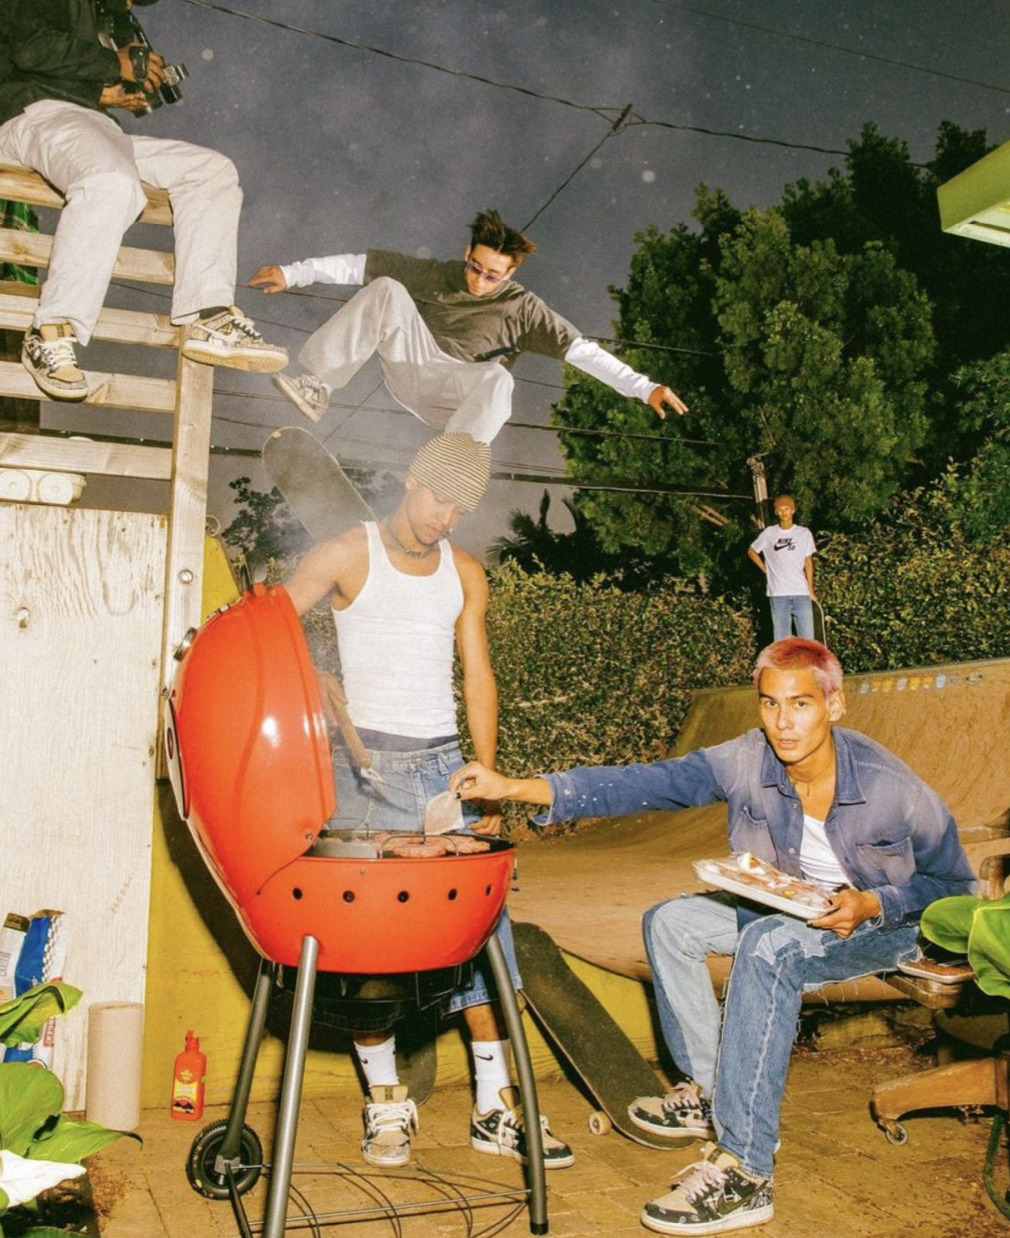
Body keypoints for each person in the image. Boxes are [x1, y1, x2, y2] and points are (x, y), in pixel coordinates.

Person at [448, 637, 975, 1234]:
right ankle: (711, 1091)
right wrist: (515, 787)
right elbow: (649, 781)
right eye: (771, 704)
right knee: (670, 922)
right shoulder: (749, 758)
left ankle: (747, 1169)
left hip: (889, 925)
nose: (784, 723)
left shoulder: (890, 787)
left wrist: (875, 900)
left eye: (801, 704)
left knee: (769, 947)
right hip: (798, 908)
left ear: (834, 705)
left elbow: (954, 888)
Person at [283, 431, 573, 1173]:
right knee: (365, 952)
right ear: (412, 478)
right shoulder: (349, 552)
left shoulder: (465, 571)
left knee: (483, 940)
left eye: (463, 507)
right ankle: (386, 1103)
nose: (447, 516)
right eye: (440, 497)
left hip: (446, 770)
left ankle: (494, 1108)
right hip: (364, 770)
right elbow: (268, 619)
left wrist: (488, 772)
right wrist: (315, 673)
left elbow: (479, 675)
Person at [0, 0, 287, 402]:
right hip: (32, 114)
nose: (131, 4)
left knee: (212, 171)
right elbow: (29, 48)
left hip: (92, 124)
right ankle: (49, 331)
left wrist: (112, 92)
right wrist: (115, 65)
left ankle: (207, 315)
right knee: (111, 183)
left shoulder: (106, 14)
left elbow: (66, 67)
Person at [249, 208, 688, 443]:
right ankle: (318, 385)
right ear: (467, 253)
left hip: (455, 394)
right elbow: (360, 266)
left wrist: (643, 387)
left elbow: (582, 352)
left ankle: (453, 462)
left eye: (491, 275)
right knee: (386, 287)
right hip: (412, 365)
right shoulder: (440, 273)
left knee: (498, 380)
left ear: (511, 273)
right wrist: (294, 272)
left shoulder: (525, 309)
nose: (478, 280)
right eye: (475, 267)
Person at [747, 495, 818, 640]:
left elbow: (808, 562)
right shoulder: (769, 533)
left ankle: (806, 663)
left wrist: (810, 590)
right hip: (778, 593)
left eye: (786, 509)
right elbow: (752, 551)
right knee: (781, 640)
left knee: (807, 639)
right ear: (776, 512)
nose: (783, 512)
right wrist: (765, 569)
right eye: (780, 509)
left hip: (801, 593)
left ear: (793, 510)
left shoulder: (804, 533)